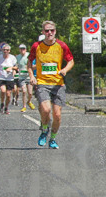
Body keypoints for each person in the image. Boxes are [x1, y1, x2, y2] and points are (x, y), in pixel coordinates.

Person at [29, 21, 74, 149]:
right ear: (43, 32)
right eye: (47, 30)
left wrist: (65, 70)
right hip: (42, 83)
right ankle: (44, 131)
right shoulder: (36, 46)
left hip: (58, 84)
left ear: (55, 31)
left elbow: (71, 61)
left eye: (52, 30)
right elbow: (29, 62)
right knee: (46, 109)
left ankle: (53, 139)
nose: (49, 33)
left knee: (57, 115)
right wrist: (32, 76)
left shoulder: (61, 45)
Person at [0, 44, 18, 114]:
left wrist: (11, 68)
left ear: (9, 51)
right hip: (1, 77)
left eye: (7, 50)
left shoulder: (12, 58)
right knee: (3, 90)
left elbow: (16, 67)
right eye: (4, 50)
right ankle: (2, 103)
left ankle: (6, 107)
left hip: (10, 78)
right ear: (2, 50)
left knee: (8, 95)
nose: (5, 51)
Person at [15, 44, 33, 112]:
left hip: (29, 76)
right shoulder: (17, 57)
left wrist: (30, 67)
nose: (22, 50)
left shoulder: (29, 55)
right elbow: (16, 65)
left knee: (30, 93)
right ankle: (24, 106)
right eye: (21, 49)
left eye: (23, 49)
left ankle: (29, 101)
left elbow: (33, 64)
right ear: (19, 50)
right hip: (21, 77)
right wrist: (15, 69)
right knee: (24, 91)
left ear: (26, 49)